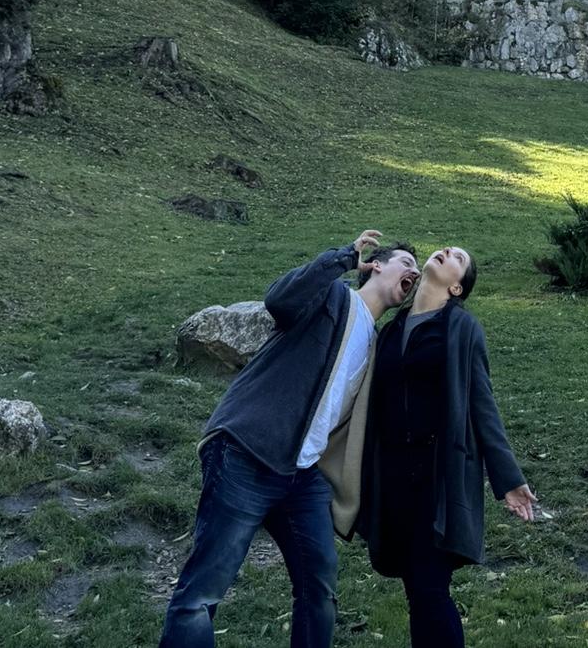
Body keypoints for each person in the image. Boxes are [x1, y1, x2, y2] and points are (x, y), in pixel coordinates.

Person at [160, 231, 420, 648]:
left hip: (303, 474)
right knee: (201, 594)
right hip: (249, 451)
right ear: (376, 265)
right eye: (405, 262)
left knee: (319, 589)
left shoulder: (377, 343)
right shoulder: (333, 298)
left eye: (416, 270)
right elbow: (279, 299)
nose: (414, 271)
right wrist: (343, 259)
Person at [358, 246, 538, 648]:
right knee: (418, 593)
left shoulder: (462, 328)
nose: (445, 251)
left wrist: (507, 478)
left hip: (438, 477)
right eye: (446, 249)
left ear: (457, 287)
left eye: (458, 257)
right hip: (391, 479)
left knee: (429, 590)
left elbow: (482, 404)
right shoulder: (389, 329)